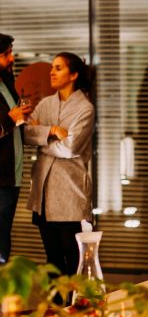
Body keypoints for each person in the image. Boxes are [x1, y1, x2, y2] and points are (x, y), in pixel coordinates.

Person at [25, 52, 94, 275]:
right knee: (52, 258)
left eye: (58, 68)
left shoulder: (85, 109)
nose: (51, 72)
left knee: (73, 258)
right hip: (43, 193)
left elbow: (71, 148)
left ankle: (73, 307)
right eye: (52, 67)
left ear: (73, 75)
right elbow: (26, 134)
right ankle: (55, 307)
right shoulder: (46, 104)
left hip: (69, 194)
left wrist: (41, 138)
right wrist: (52, 131)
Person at [0, 33, 32, 263]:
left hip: (11, 178)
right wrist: (11, 119)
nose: (11, 58)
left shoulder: (6, 84)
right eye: (5, 54)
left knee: (3, 245)